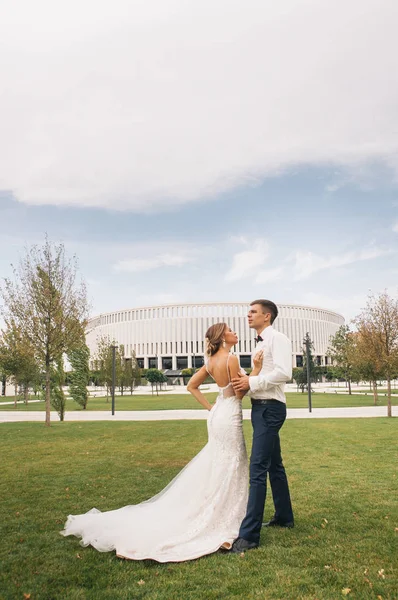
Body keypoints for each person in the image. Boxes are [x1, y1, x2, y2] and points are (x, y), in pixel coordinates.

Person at [60, 323, 261, 562]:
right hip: (229, 416)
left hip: (218, 415)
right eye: (230, 330)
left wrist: (211, 408)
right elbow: (240, 393)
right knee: (232, 463)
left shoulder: (210, 361)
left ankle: (223, 512)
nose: (234, 332)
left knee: (221, 463)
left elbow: (191, 386)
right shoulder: (231, 359)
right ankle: (225, 518)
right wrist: (256, 369)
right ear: (222, 337)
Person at [231, 299, 294, 554]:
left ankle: (248, 536)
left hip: (270, 408)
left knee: (257, 468)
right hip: (260, 408)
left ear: (267, 317)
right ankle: (284, 516)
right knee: (274, 465)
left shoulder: (278, 338)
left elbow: (284, 372)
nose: (248, 315)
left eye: (253, 312)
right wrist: (250, 378)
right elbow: (262, 375)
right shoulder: (260, 342)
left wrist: (251, 383)